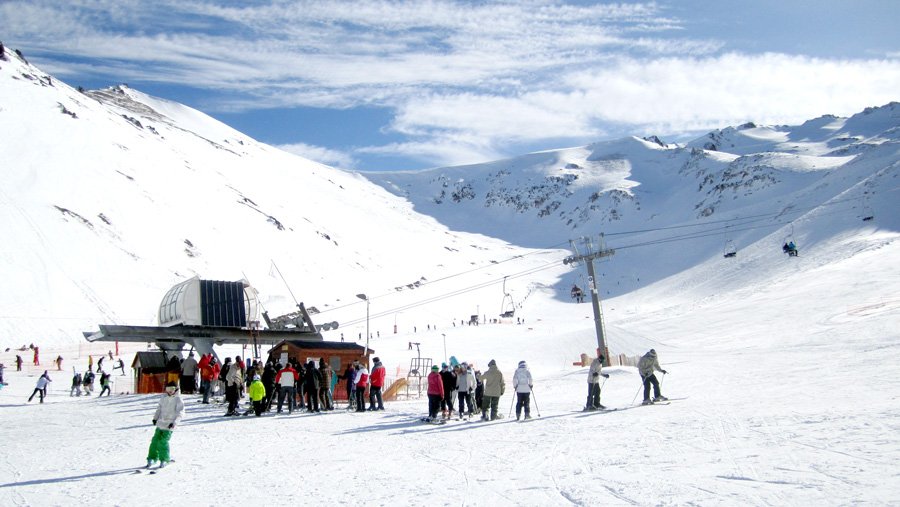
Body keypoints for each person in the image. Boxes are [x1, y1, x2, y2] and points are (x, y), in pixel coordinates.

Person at [146, 381, 184, 469]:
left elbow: (180, 413)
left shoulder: (178, 399)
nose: (170, 391)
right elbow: (159, 409)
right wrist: (155, 418)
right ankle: (152, 458)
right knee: (155, 441)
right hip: (160, 423)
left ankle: (164, 459)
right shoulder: (163, 397)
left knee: (163, 442)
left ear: (176, 389)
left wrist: (174, 423)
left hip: (169, 425)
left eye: (172, 389)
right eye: (168, 389)